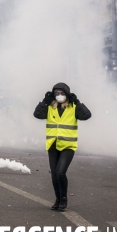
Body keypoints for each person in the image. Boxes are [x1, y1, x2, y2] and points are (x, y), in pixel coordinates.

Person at [33, 82, 92, 211]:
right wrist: (44, 101)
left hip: (68, 145)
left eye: (62, 93)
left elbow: (87, 116)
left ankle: (64, 199)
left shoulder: (73, 107)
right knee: (54, 174)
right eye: (56, 93)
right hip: (53, 144)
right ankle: (58, 199)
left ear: (67, 95)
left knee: (60, 172)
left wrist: (77, 101)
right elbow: (37, 115)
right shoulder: (50, 107)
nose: (59, 95)